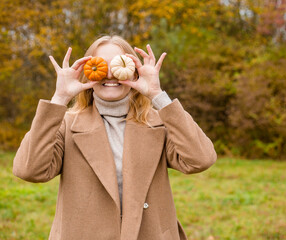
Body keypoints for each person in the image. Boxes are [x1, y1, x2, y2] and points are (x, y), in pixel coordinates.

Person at [12, 35, 217, 240]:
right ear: (87, 71)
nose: (110, 74)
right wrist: (59, 99)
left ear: (135, 72)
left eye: (120, 64)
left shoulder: (158, 123)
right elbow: (29, 170)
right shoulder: (66, 124)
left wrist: (157, 95)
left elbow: (201, 159)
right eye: (100, 64)